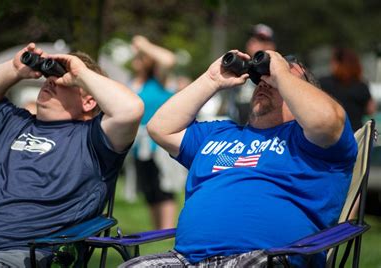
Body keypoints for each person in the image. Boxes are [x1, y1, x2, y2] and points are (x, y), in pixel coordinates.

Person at [120, 50, 358, 267]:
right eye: (262, 78)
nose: (266, 81)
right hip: (186, 260)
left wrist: (282, 72)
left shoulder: (314, 143)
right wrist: (211, 80)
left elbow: (327, 120)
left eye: (278, 79)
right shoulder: (220, 133)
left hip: (268, 257)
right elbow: (160, 128)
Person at [0, 43, 143, 267]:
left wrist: (80, 73)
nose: (51, 80)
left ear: (89, 100)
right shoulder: (13, 123)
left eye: (64, 79)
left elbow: (130, 109)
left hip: (31, 254)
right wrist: (14, 70)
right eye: (49, 75)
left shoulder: (93, 139)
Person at [126, 35, 181, 230]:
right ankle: (156, 232)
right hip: (139, 145)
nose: (136, 60)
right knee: (149, 189)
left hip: (160, 143)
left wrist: (145, 45)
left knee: (164, 188)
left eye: (141, 57)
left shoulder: (160, 79)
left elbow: (169, 60)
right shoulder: (132, 82)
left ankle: (166, 231)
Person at [319, 47, 376, 131]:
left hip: (331, 135)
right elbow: (370, 110)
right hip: (355, 134)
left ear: (337, 63)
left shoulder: (324, 83)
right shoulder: (361, 86)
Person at [230, 23, 277, 125]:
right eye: (252, 37)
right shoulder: (240, 70)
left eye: (260, 39)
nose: (253, 41)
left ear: (271, 46)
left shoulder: (277, 74)